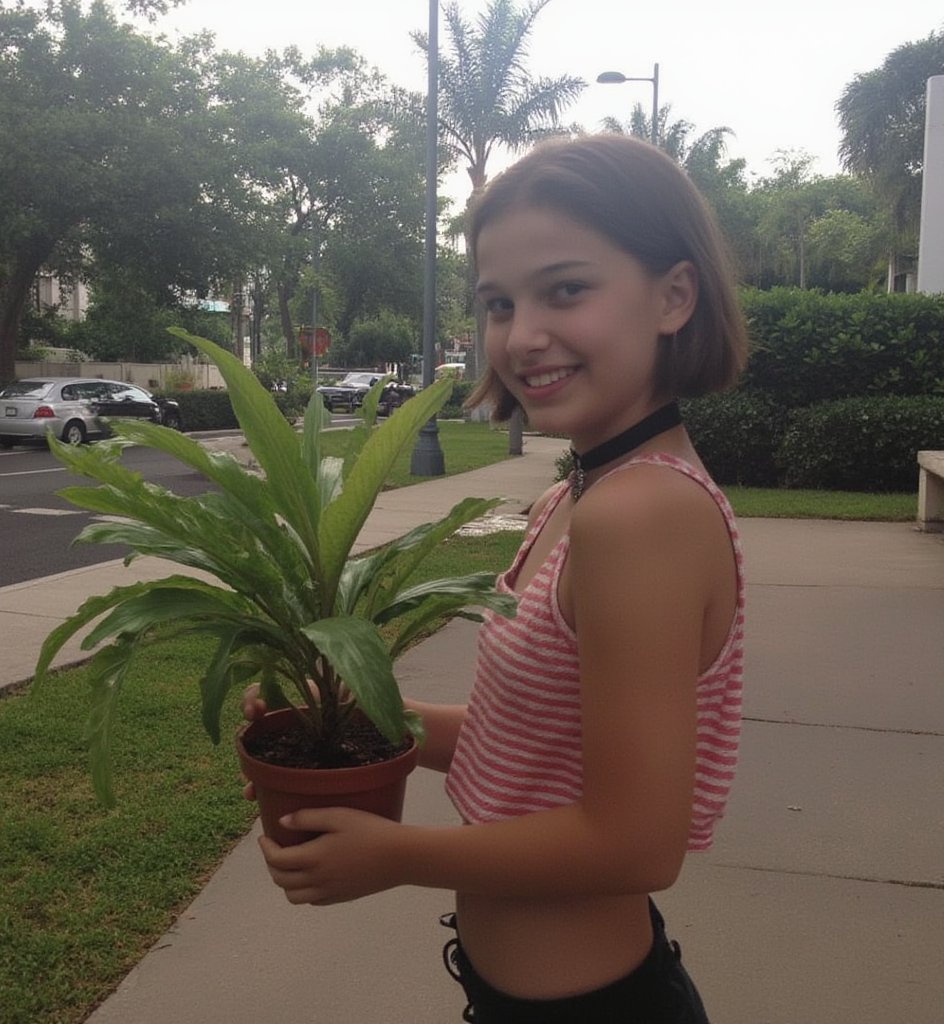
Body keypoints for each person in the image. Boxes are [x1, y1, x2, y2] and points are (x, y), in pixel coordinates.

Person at [244, 133, 749, 1023]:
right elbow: (544, 729)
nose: (521, 336)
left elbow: (636, 844)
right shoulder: (597, 487)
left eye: (565, 290)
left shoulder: (639, 514)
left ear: (674, 296)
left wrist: (396, 855)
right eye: (497, 302)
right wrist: (370, 717)